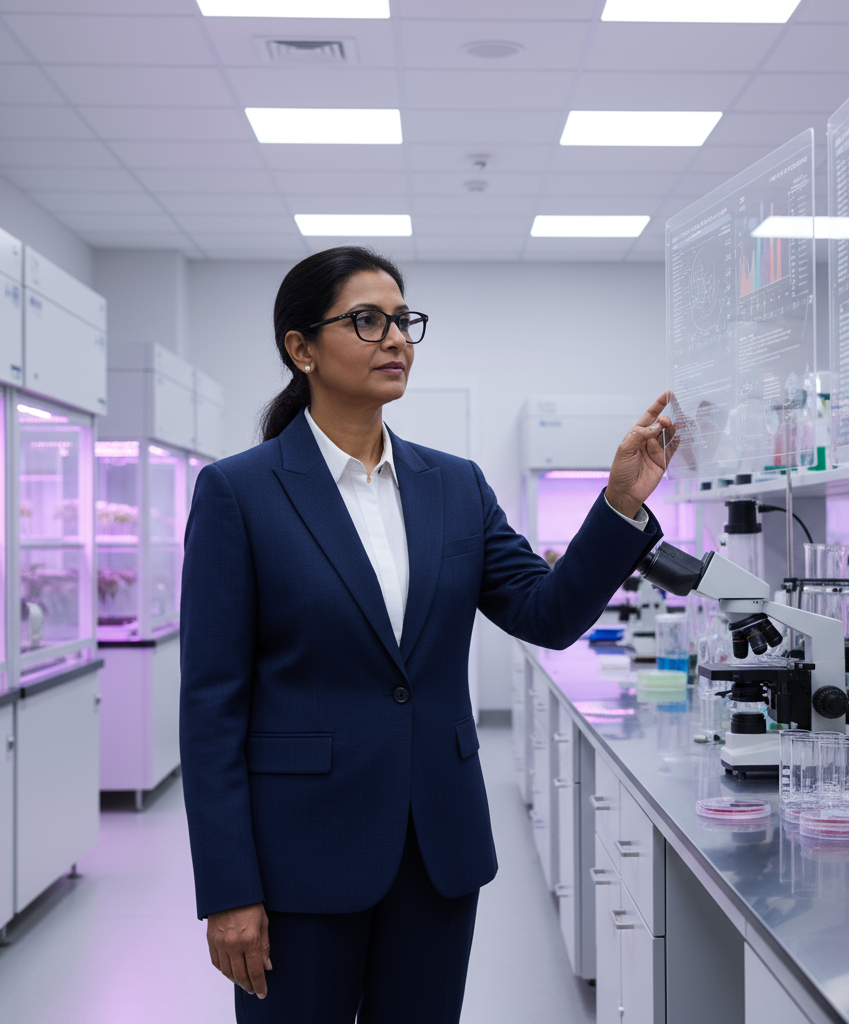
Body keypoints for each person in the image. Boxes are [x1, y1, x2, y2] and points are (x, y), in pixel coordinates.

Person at [179, 245, 675, 1024]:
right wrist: (229, 888)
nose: (396, 339)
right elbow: (210, 710)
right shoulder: (239, 493)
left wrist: (617, 506)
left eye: (403, 320)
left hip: (438, 852)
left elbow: (545, 615)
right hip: (302, 857)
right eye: (366, 321)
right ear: (300, 349)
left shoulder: (455, 486)